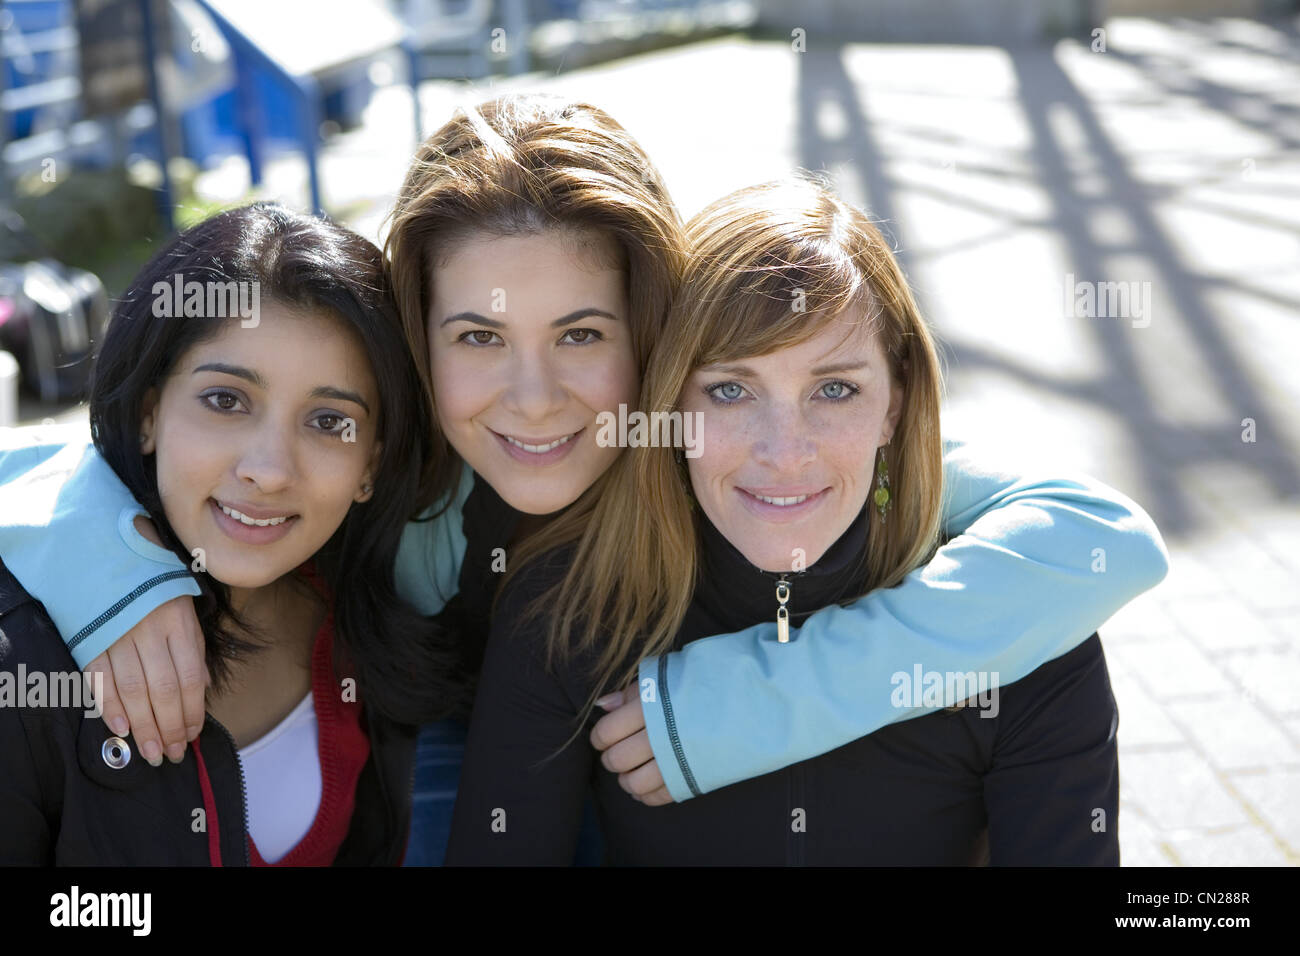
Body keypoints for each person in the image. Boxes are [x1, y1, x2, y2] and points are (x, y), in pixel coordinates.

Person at [0, 96, 1166, 866]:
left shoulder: (766, 460)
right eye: (473, 337)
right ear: (416, 339)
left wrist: (749, 699)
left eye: (581, 333)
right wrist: (113, 567)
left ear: (651, 330)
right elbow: (102, 452)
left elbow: (1099, 535)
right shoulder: (363, 466)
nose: (533, 398)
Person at [444, 177, 1126, 865]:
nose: (784, 451)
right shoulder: (568, 614)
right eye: (731, 390)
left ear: (895, 403)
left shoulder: (1015, 623)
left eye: (835, 389)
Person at [0, 203, 462, 864]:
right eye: (225, 400)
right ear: (149, 414)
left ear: (373, 463)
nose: (269, 471)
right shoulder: (25, 661)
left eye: (330, 421)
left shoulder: (376, 627)